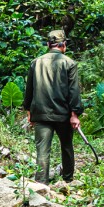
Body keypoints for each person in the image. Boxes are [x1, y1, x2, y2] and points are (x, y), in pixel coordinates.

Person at [22, 29, 82, 185]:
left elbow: (29, 90)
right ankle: (68, 180)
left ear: (49, 44)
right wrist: (74, 114)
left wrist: (29, 111)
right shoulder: (69, 63)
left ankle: (41, 184)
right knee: (66, 147)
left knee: (42, 151)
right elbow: (74, 91)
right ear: (64, 45)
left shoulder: (36, 62)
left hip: (41, 114)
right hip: (63, 114)